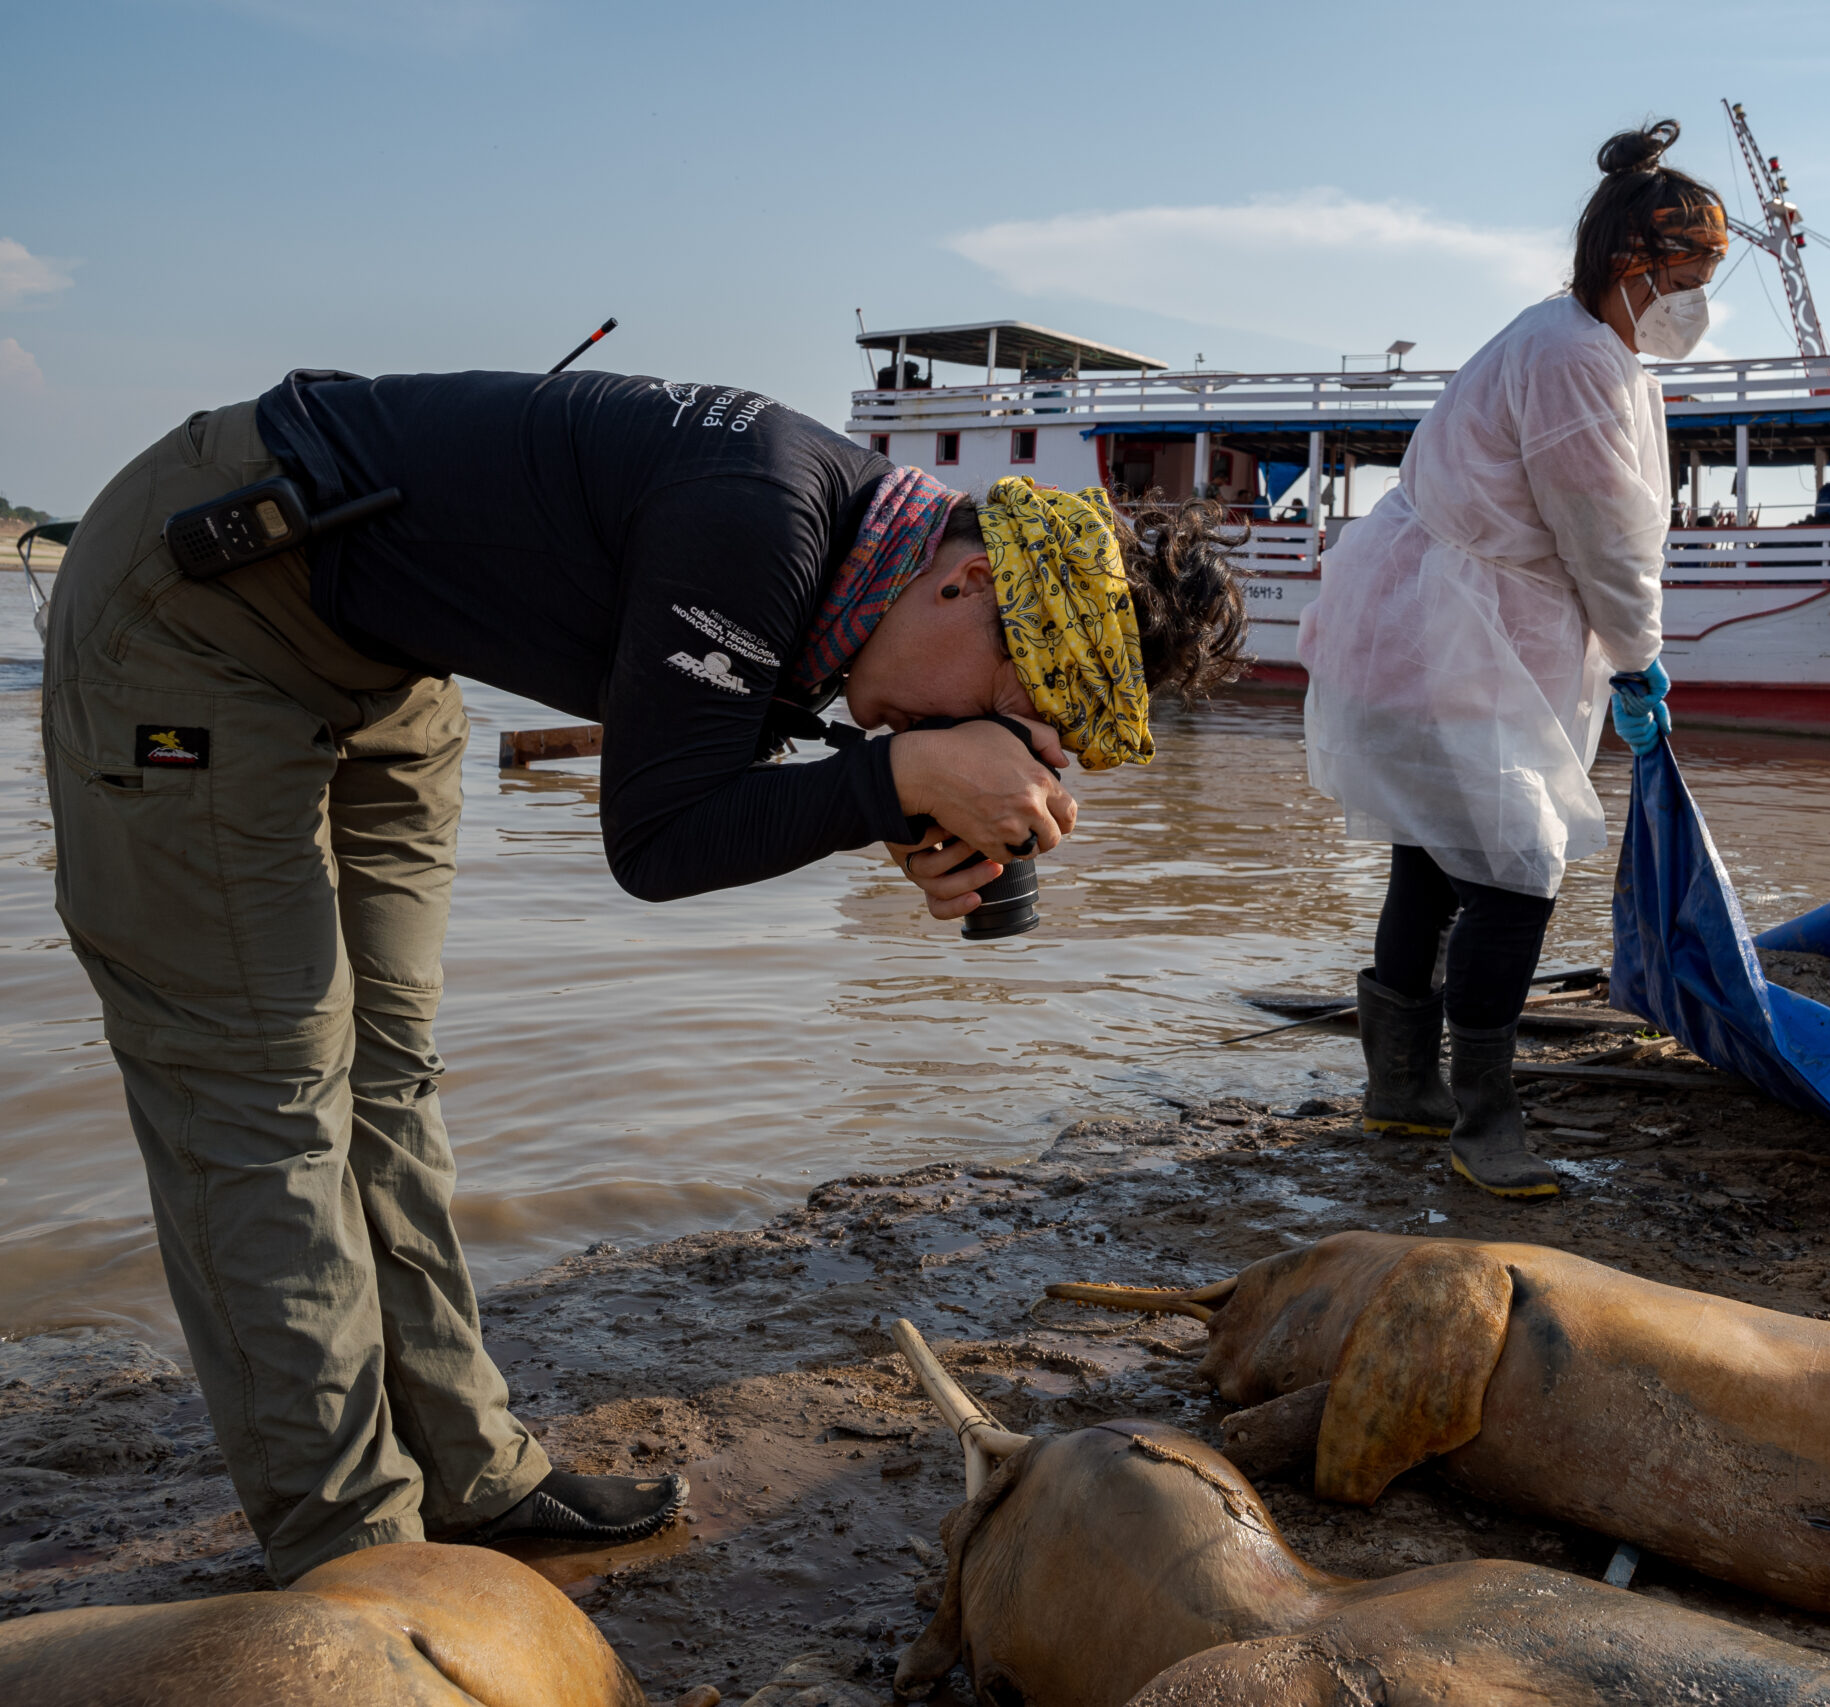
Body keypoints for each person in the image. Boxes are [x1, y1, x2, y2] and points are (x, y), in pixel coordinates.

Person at [40, 368, 1245, 1584]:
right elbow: (658, 842)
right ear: (970, 579)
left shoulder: (853, 570)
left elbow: (727, 765)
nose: (975, 740)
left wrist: (893, 787)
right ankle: (350, 1546)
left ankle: (471, 1475)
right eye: (996, 711)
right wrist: (894, 782)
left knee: (388, 1071)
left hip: (383, 661)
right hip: (202, 606)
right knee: (265, 1088)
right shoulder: (757, 517)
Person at [1297, 122, 1724, 1199]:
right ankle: (1484, 1121)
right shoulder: (1577, 359)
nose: (1697, 299)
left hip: (1426, 622)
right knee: (1514, 874)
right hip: (1455, 632)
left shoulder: (1578, 343)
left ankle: (1400, 1090)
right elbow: (1605, 533)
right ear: (1632, 264)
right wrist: (1639, 662)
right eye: (1687, 275)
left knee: (1435, 857)